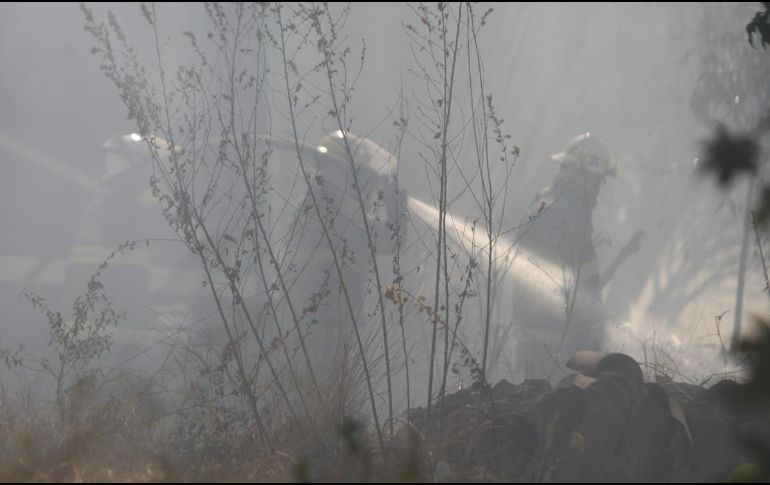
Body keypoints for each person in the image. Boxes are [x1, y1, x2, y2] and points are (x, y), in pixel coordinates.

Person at [514, 132, 617, 380]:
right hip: (557, 344)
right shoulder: (566, 212)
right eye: (597, 179)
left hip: (544, 341)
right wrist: (591, 335)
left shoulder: (551, 202)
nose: (598, 188)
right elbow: (576, 284)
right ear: (581, 174)